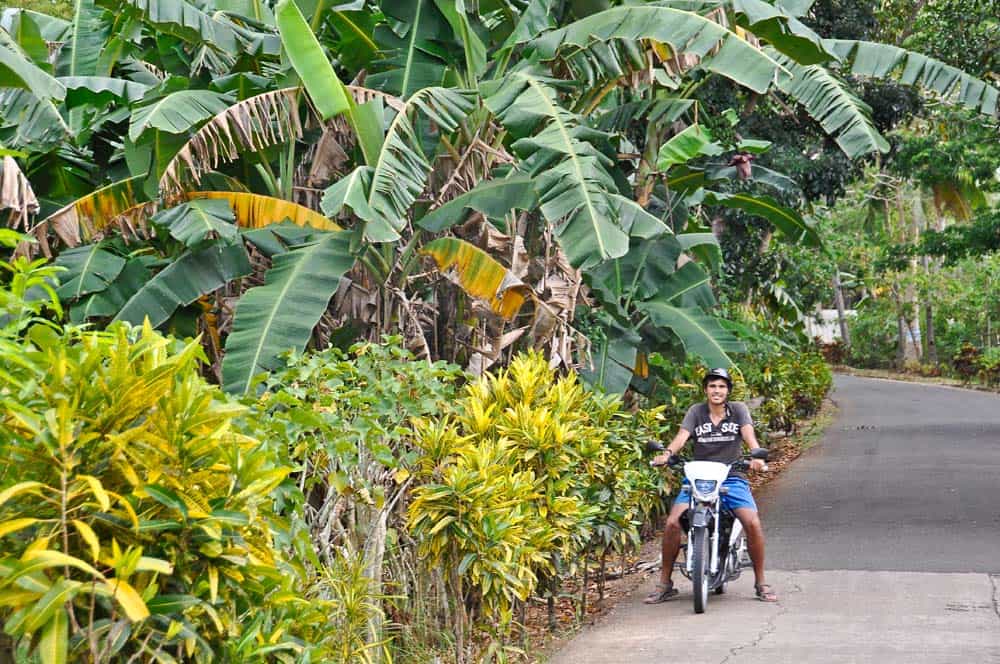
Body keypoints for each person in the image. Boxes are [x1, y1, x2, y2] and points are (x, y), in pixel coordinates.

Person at [645, 367, 778, 603]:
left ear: (728, 390)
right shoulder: (696, 412)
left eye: (721, 386)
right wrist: (666, 454)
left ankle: (760, 582)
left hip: (732, 476)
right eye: (712, 386)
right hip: (699, 477)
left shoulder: (738, 410)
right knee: (673, 523)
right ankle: (665, 584)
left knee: (752, 522)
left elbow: (749, 436)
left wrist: (756, 456)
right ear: (705, 390)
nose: (717, 390)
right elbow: (681, 437)